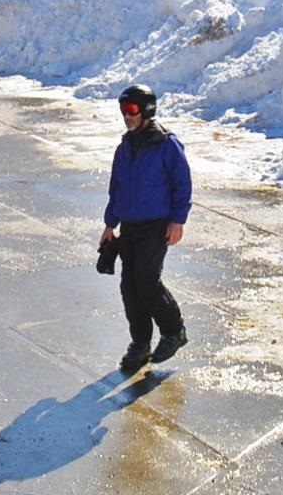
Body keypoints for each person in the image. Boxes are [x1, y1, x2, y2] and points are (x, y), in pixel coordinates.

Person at [99, 83, 191, 373]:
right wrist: (109, 224)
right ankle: (140, 345)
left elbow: (182, 184)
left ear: (147, 110)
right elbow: (116, 188)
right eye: (123, 110)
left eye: (132, 110)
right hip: (129, 226)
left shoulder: (167, 145)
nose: (127, 116)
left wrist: (178, 220)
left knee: (147, 280)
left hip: (156, 225)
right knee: (130, 287)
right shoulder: (123, 148)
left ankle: (174, 331)